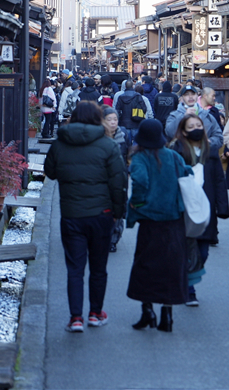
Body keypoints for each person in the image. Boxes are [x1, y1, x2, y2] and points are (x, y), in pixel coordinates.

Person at [44, 101, 127, 332]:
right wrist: (118, 214)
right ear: (98, 118)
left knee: (75, 268)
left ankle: (75, 318)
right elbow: (119, 181)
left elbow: (49, 172)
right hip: (102, 214)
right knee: (98, 267)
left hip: (71, 214)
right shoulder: (108, 145)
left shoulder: (61, 143)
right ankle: (95, 313)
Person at [126, 119, 190, 332]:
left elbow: (140, 182)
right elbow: (187, 174)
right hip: (174, 220)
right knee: (171, 267)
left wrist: (138, 203)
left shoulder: (140, 158)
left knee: (146, 266)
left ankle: (147, 312)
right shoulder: (174, 156)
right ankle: (167, 316)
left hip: (151, 221)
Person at [169, 114, 228, 306]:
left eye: (199, 125)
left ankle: (186, 278)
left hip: (206, 205)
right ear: (184, 131)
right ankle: (189, 290)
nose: (196, 128)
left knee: (202, 251)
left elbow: (219, 180)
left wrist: (222, 206)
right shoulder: (176, 151)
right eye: (191, 126)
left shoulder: (210, 152)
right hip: (183, 206)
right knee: (186, 248)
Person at [101, 106, 129, 253]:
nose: (113, 122)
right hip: (102, 178)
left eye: (115, 119)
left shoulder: (123, 135)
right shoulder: (98, 138)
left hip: (120, 178)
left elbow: (128, 155)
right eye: (109, 119)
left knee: (118, 207)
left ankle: (113, 239)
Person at [164, 84, 223, 150]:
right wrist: (183, 117)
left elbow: (219, 137)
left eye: (193, 94)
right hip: (183, 156)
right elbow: (169, 132)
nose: (190, 97)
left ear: (197, 95)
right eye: (186, 94)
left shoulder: (208, 116)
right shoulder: (174, 115)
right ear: (182, 97)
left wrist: (208, 143)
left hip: (204, 156)